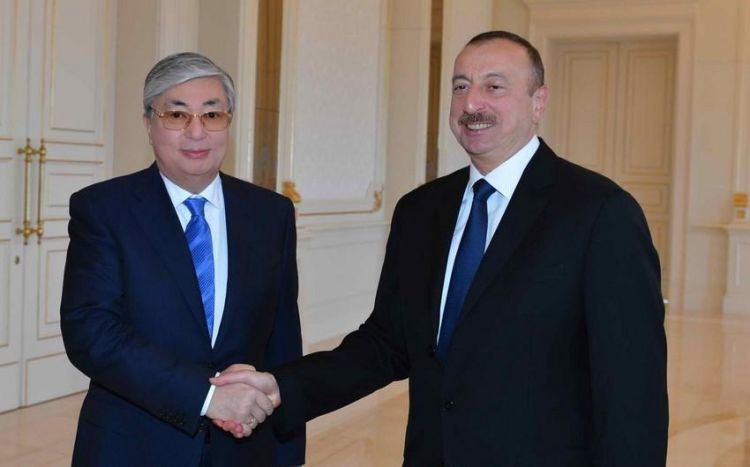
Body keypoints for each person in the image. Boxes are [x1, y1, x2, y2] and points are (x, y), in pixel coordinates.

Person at [215, 31, 669, 466]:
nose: (472, 104)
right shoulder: (420, 210)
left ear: (538, 102)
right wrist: (281, 386)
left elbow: (633, 391)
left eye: (494, 86)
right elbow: (386, 345)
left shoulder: (599, 212)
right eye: (460, 86)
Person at [60, 52, 305, 467]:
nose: (196, 132)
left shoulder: (271, 213)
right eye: (176, 115)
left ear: (228, 121)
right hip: (133, 447)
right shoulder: (104, 210)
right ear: (148, 124)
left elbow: (282, 339)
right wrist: (206, 397)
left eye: (212, 114)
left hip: (245, 449)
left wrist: (287, 455)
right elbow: (92, 333)